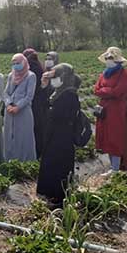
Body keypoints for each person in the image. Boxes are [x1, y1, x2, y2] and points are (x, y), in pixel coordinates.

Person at [37, 63, 82, 207]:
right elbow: (43, 105)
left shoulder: (70, 94)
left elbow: (60, 115)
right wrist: (44, 87)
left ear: (65, 77)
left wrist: (50, 108)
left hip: (62, 137)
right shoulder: (57, 92)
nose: (54, 79)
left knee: (59, 165)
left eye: (56, 76)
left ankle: (59, 197)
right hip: (53, 134)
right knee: (50, 162)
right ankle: (49, 193)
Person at [94, 47, 127, 177]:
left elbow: (118, 92)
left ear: (118, 61)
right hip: (104, 109)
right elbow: (96, 89)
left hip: (116, 110)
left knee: (115, 136)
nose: (108, 60)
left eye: (111, 58)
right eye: (107, 58)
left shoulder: (124, 74)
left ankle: (116, 169)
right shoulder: (104, 73)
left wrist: (106, 90)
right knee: (106, 137)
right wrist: (108, 90)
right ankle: (112, 168)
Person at [3, 54, 37, 162]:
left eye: (18, 63)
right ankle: (10, 160)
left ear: (24, 62)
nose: (15, 65)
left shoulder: (31, 76)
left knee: (23, 136)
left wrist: (18, 107)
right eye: (13, 63)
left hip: (23, 111)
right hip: (9, 111)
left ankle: (25, 162)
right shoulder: (11, 75)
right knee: (9, 135)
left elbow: (29, 96)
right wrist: (8, 104)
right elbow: (6, 93)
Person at [23, 48, 48, 158]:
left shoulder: (31, 68)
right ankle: (40, 151)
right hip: (39, 100)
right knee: (39, 128)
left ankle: (34, 152)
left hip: (33, 101)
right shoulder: (39, 66)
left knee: (33, 127)